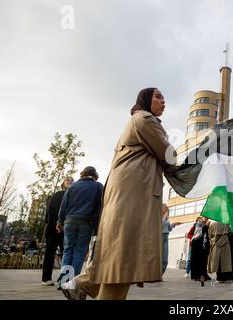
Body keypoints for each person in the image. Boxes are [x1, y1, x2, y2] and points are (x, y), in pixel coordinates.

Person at [61, 88, 177, 300]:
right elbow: (169, 155)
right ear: (145, 100)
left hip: (128, 193)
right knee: (124, 256)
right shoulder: (145, 119)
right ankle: (81, 284)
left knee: (120, 254)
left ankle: (81, 284)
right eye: (158, 96)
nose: (163, 101)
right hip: (133, 195)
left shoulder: (137, 120)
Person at [56, 167, 103, 288]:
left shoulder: (73, 186)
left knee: (67, 250)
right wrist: (97, 226)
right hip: (86, 223)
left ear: (82, 174)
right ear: (94, 175)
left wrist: (60, 222)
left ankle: (63, 282)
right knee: (79, 252)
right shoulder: (98, 187)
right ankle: (71, 284)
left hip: (69, 222)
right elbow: (100, 207)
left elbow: (63, 205)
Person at [41, 176, 74, 286]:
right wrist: (57, 224)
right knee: (50, 253)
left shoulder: (74, 196)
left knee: (67, 253)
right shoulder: (58, 194)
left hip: (66, 229)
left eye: (72, 181)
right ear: (63, 183)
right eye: (67, 180)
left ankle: (65, 279)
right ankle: (46, 278)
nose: (69, 182)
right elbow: (51, 210)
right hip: (53, 228)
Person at [190, 217, 211, 282]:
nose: (207, 219)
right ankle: (197, 276)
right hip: (197, 244)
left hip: (203, 245)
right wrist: (206, 226)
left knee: (204, 261)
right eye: (205, 218)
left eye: (208, 218)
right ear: (202, 218)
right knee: (197, 261)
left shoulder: (206, 225)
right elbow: (198, 234)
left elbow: (206, 235)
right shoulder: (198, 223)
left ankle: (204, 275)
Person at [162, 203, 180, 274]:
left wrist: (174, 224)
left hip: (166, 238)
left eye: (167, 208)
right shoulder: (157, 217)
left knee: (165, 260)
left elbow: (169, 228)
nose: (167, 209)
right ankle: (156, 275)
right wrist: (164, 218)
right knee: (158, 258)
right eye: (165, 207)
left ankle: (161, 274)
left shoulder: (166, 218)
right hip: (159, 238)